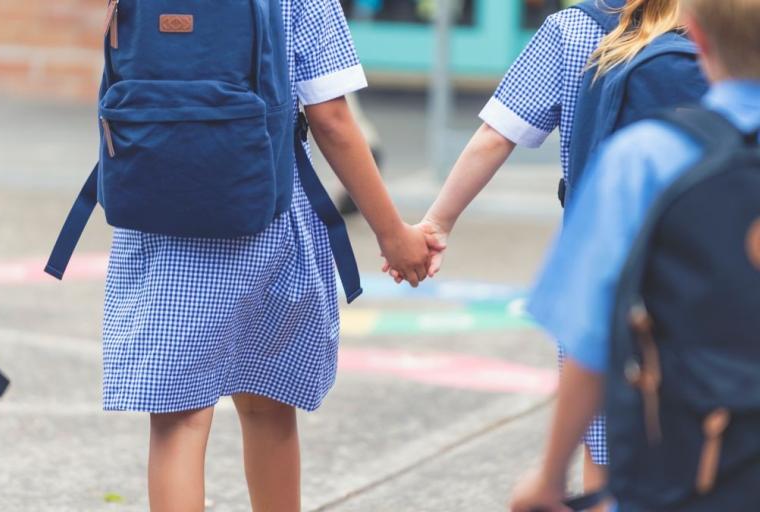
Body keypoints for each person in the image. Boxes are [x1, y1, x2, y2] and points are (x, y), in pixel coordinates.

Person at [102, 1, 437, 511]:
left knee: (179, 420)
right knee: (268, 406)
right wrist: (393, 234)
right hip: (266, 212)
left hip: (160, 213)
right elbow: (332, 119)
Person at [391, 0, 694, 503]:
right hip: (713, 274)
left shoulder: (571, 31)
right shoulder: (715, 25)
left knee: (608, 457)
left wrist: (436, 222)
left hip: (609, 277)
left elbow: (496, 135)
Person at [510, 0, 760, 509]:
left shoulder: (645, 156)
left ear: (696, 37)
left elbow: (590, 332)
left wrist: (551, 477)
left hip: (692, 454)